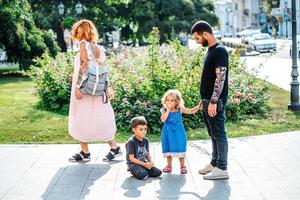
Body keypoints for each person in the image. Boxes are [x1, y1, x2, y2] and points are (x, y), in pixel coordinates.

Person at [68, 19, 122, 162]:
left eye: (79, 30)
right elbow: (103, 70)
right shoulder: (98, 48)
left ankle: (85, 153)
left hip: (85, 89)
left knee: (81, 116)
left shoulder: (83, 45)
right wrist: (108, 86)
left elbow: (83, 67)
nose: (77, 32)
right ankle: (114, 147)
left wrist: (78, 88)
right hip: (97, 89)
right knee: (101, 116)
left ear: (84, 31)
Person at [191, 20, 229, 180]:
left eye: (197, 38)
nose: (196, 41)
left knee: (219, 134)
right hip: (207, 101)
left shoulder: (220, 51)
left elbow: (220, 78)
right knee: (213, 134)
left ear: (205, 34)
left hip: (215, 102)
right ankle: (214, 163)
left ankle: (222, 168)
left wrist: (213, 101)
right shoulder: (211, 50)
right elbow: (209, 78)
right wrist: (204, 99)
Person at [160, 89, 201, 174]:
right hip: (167, 132)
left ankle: (182, 166)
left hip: (178, 132)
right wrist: (167, 110)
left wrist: (198, 107)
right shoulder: (164, 110)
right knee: (168, 148)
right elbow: (163, 120)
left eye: (172, 100)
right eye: (167, 100)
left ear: (177, 102)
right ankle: (169, 165)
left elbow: (190, 111)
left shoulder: (179, 109)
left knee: (180, 147)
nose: (169, 102)